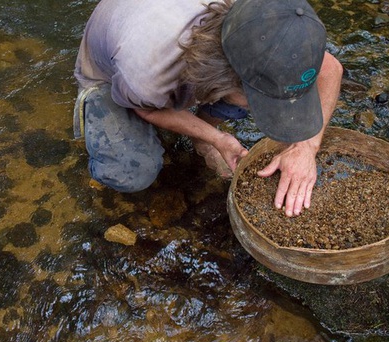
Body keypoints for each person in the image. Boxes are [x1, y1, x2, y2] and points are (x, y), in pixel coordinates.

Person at [73, 0, 343, 217]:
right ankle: (96, 115)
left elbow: (331, 69)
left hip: (195, 52)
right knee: (133, 173)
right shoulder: (148, 74)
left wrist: (305, 147)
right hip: (109, 73)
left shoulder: (261, 20)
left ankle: (203, 133)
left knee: (258, 91)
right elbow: (148, 110)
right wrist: (216, 139)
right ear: (224, 81)